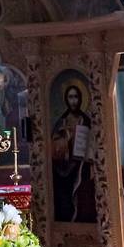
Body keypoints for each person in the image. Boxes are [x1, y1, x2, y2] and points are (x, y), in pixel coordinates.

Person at [51, 82, 95, 223]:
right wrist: (65, 139)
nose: (74, 101)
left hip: (81, 166)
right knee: (64, 199)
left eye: (76, 97)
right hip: (63, 167)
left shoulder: (85, 120)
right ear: (66, 99)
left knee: (82, 197)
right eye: (71, 97)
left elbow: (93, 141)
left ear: (81, 99)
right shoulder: (62, 121)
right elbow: (54, 143)